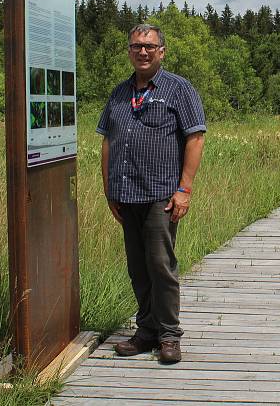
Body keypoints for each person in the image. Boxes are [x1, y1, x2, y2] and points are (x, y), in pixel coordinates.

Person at [96, 23, 206, 364]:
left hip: (161, 195)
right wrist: (108, 189)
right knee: (137, 268)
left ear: (162, 51)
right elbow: (106, 141)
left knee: (160, 266)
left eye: (149, 46)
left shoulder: (178, 89)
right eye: (136, 46)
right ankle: (146, 332)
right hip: (125, 194)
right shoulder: (119, 93)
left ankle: (169, 335)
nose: (142, 52)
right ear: (129, 51)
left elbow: (196, 137)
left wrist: (184, 189)